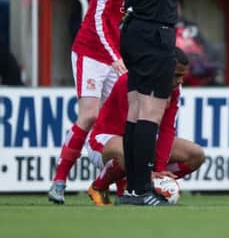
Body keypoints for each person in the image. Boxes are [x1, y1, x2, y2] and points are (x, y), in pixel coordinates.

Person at [114, 0, 199, 206]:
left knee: (136, 112)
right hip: (155, 33)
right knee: (151, 113)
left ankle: (133, 189)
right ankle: (142, 188)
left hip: (132, 30)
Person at [48, 0, 126, 204]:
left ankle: (120, 189)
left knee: (124, 118)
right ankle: (59, 181)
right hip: (91, 52)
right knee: (90, 114)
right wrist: (115, 57)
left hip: (118, 55)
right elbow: (98, 19)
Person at [86, 48, 205, 205]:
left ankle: (152, 185)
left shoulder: (175, 89)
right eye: (177, 75)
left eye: (183, 76)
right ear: (163, 69)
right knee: (126, 153)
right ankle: (99, 186)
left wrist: (159, 170)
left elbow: (167, 129)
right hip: (105, 140)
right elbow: (128, 132)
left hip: (140, 139)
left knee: (196, 155)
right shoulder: (129, 82)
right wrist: (147, 171)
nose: (180, 81)